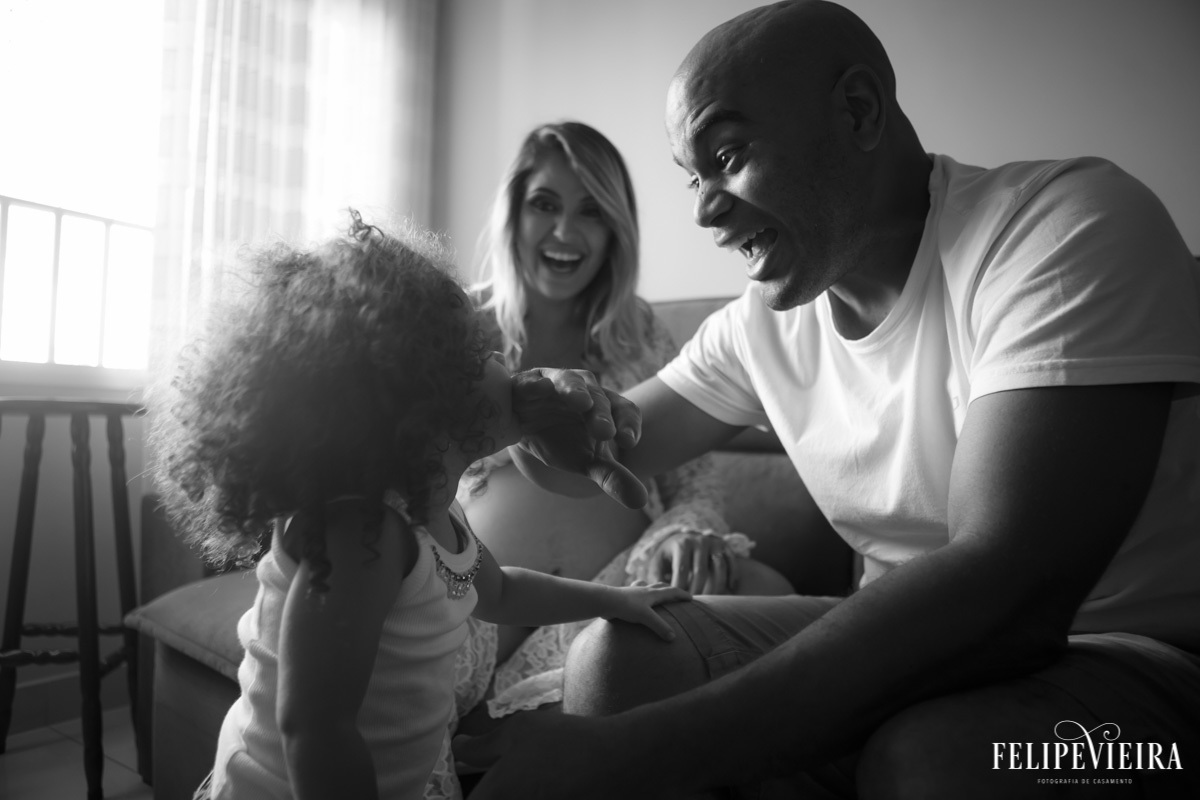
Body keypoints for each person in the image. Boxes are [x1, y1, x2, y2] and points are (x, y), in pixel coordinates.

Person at [454, 1, 1200, 797]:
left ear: (858, 110)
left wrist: (629, 752)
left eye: (729, 154)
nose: (705, 210)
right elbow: (614, 434)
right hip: (907, 657)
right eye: (693, 177)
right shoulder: (764, 323)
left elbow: (1007, 591)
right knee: (617, 659)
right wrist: (547, 412)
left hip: (1133, 668)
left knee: (934, 759)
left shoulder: (1061, 231)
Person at [150, 212, 689, 800]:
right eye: (483, 356)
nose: (507, 366)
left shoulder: (437, 517)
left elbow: (503, 592)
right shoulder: (363, 533)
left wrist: (616, 600)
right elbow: (314, 727)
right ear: (427, 401)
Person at [445, 121, 791, 748]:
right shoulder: (459, 327)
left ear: (615, 231)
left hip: (615, 579)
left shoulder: (640, 334)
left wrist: (684, 532)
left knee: (770, 591)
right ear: (513, 214)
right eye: (544, 205)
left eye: (591, 212)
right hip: (487, 603)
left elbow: (697, 479)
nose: (564, 234)